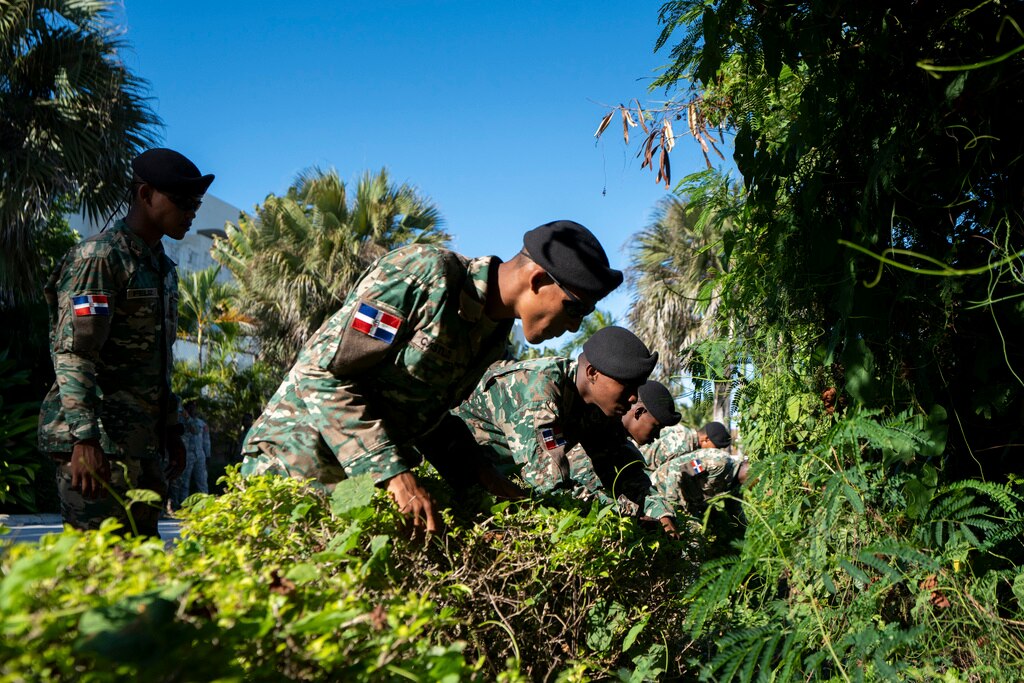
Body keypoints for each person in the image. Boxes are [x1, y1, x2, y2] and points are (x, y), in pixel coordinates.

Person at [240, 220, 623, 533]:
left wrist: (482, 477)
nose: (575, 327)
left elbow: (426, 418)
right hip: (296, 462)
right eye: (575, 309)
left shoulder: (491, 336)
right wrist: (393, 475)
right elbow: (321, 373)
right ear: (538, 280)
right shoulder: (426, 275)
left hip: (357, 485)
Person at [38, 148, 214, 537]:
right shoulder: (100, 258)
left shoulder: (161, 268)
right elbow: (74, 352)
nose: (192, 212)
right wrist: (84, 439)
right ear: (145, 194)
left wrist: (172, 430)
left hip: (142, 446)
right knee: (98, 573)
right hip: (97, 447)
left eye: (197, 203)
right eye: (183, 201)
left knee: (142, 573)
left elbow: (158, 360)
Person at [446, 326, 678, 533]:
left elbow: (625, 467)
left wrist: (660, 513)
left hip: (503, 479)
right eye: (627, 386)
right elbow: (552, 486)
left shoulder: (599, 406)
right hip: (458, 471)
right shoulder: (538, 391)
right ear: (592, 374)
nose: (634, 398)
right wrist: (624, 517)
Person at [647, 421, 750, 517]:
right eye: (717, 447)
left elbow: (734, 508)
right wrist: (673, 507)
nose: (717, 450)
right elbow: (677, 469)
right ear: (706, 439)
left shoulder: (733, 480)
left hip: (681, 496)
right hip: (657, 487)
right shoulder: (715, 460)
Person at [169, 400, 211, 508]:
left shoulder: (201, 424)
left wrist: (207, 456)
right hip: (187, 455)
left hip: (199, 455)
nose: (193, 410)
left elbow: (206, 440)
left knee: (202, 482)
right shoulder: (180, 421)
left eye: (194, 407)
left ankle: (205, 506)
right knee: (184, 483)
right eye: (190, 407)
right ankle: (184, 506)